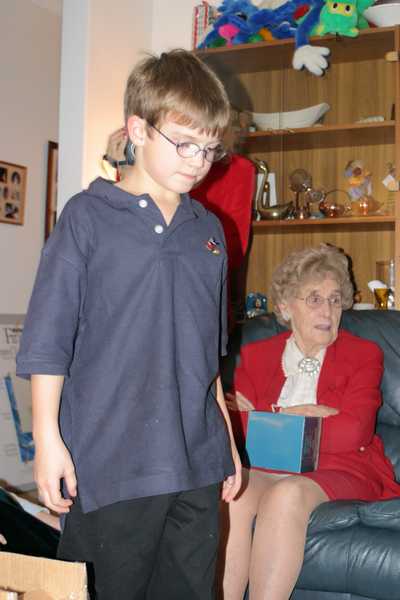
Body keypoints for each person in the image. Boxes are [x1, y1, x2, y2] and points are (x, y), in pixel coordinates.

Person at [16, 49, 241, 600]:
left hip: (196, 460)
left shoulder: (209, 231)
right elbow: (48, 342)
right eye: (184, 143)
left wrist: (227, 443)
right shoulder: (87, 218)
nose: (198, 161)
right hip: (111, 460)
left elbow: (207, 358)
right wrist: (48, 440)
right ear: (138, 130)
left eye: (210, 148)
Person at [221, 244, 400, 600]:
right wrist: (302, 415)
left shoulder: (364, 354)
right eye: (314, 299)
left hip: (344, 468)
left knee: (286, 495)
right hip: (268, 465)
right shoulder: (256, 354)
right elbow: (236, 430)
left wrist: (265, 417)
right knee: (234, 494)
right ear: (286, 307)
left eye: (335, 300)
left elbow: (354, 432)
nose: (328, 311)